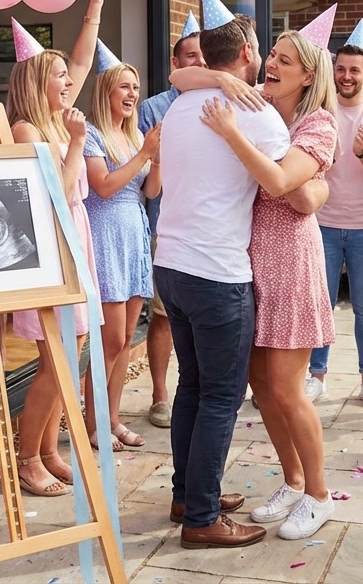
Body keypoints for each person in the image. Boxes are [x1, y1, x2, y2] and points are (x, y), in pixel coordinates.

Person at [178, 28, 340, 540]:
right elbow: (181, 74)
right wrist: (219, 79)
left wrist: (233, 135)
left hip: (290, 262)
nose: (271, 63)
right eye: (271, 53)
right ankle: (292, 481)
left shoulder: (319, 123)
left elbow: (279, 184)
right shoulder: (255, 105)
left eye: (285, 59)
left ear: (308, 75)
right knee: (261, 389)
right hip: (244, 261)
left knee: (289, 390)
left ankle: (318, 494)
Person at [154, 13, 290, 549]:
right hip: (216, 271)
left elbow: (179, 78)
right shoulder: (257, 113)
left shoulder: (181, 104)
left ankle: (187, 494)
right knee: (220, 396)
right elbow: (287, 187)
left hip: (171, 262)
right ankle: (202, 517)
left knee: (193, 385)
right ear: (249, 53)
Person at [6, 0, 104, 498]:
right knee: (57, 357)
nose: (70, 81)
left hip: (75, 241)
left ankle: (48, 448)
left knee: (74, 346)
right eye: (60, 76)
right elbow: (59, 192)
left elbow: (86, 60)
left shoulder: (56, 118)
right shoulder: (28, 128)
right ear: (37, 83)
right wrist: (77, 142)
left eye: (69, 76)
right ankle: (27, 458)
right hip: (51, 247)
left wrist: (94, 8)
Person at [306, 36, 363, 411]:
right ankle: (317, 377)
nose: (346, 76)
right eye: (340, 69)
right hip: (322, 223)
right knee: (320, 303)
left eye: (353, 70)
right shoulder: (319, 111)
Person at [82, 59, 162, 452]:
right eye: (124, 87)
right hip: (106, 237)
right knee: (109, 340)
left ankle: (111, 420)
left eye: (135, 87)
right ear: (106, 93)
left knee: (127, 339)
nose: (132, 94)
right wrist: (146, 152)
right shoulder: (93, 136)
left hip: (134, 236)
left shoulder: (134, 137)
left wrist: (157, 157)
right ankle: (93, 422)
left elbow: (149, 192)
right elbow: (105, 186)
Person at [138, 30, 203, 430]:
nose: (197, 62)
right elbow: (147, 165)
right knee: (163, 315)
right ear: (175, 64)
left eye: (203, 56)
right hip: (166, 224)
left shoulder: (220, 104)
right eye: (190, 56)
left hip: (210, 227)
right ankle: (161, 394)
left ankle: (199, 389)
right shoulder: (153, 109)